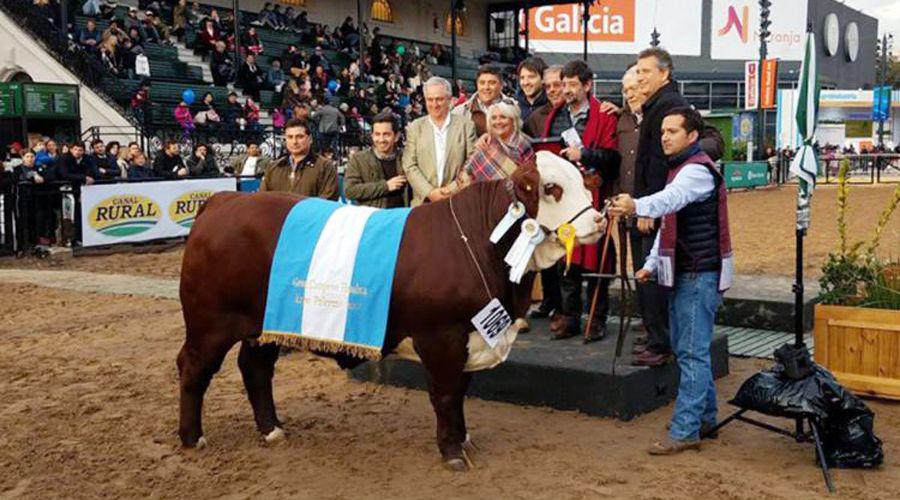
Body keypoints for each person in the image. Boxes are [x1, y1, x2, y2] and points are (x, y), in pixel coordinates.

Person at [610, 106, 733, 455]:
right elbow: (669, 223)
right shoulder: (685, 168)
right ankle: (703, 419)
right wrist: (651, 263)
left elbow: (668, 203)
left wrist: (635, 205)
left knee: (691, 354)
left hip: (697, 274)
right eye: (663, 131)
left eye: (672, 131)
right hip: (690, 272)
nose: (664, 137)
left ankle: (686, 429)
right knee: (690, 351)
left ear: (691, 136)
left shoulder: (694, 170)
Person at [542, 60, 620, 341]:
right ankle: (570, 317)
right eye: (564, 84)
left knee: (596, 258)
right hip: (564, 200)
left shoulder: (605, 115)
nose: (566, 90)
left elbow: (613, 157)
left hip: (594, 195)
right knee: (567, 257)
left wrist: (584, 155)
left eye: (573, 84)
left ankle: (597, 319)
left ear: (587, 85)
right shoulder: (555, 116)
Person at [631, 47, 688, 366]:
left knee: (652, 275)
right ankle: (655, 337)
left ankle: (660, 343)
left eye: (645, 72)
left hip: (654, 208)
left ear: (663, 74)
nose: (639, 77)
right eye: (638, 71)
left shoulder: (668, 105)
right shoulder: (656, 104)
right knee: (647, 275)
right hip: (648, 204)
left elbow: (658, 164)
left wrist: (647, 209)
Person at [402, 76, 477, 207]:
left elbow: (471, 163)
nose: (434, 104)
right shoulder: (415, 127)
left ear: (449, 99)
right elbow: (409, 165)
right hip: (424, 203)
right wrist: (430, 192)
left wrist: (450, 190)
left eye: (439, 99)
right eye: (430, 99)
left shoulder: (466, 126)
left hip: (457, 201)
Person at [259, 118, 338, 199]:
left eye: (300, 137)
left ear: (310, 139)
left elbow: (328, 200)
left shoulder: (325, 167)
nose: (294, 142)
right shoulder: (273, 168)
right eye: (290, 137)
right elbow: (263, 199)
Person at [459, 102, 534, 185]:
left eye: (503, 117)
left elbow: (528, 179)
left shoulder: (524, 144)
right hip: (480, 191)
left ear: (513, 120)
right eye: (494, 118)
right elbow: (467, 172)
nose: (498, 122)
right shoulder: (486, 142)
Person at [344, 111, 407, 208]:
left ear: (396, 136)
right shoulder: (358, 159)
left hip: (402, 215)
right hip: (373, 215)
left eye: (386, 134)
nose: (381, 140)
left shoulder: (407, 158)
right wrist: (385, 186)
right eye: (377, 134)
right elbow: (350, 191)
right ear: (372, 135)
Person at [452, 65, 517, 136]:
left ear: (501, 85)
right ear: (477, 85)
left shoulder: (516, 108)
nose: (486, 87)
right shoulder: (459, 112)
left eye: (492, 83)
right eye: (482, 83)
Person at [524, 65, 563, 138]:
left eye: (557, 85)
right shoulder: (535, 118)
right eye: (548, 87)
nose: (552, 90)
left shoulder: (578, 114)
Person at [515, 57, 548, 123]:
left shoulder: (552, 107)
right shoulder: (514, 106)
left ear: (543, 79)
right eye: (522, 78)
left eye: (531, 77)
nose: (526, 82)